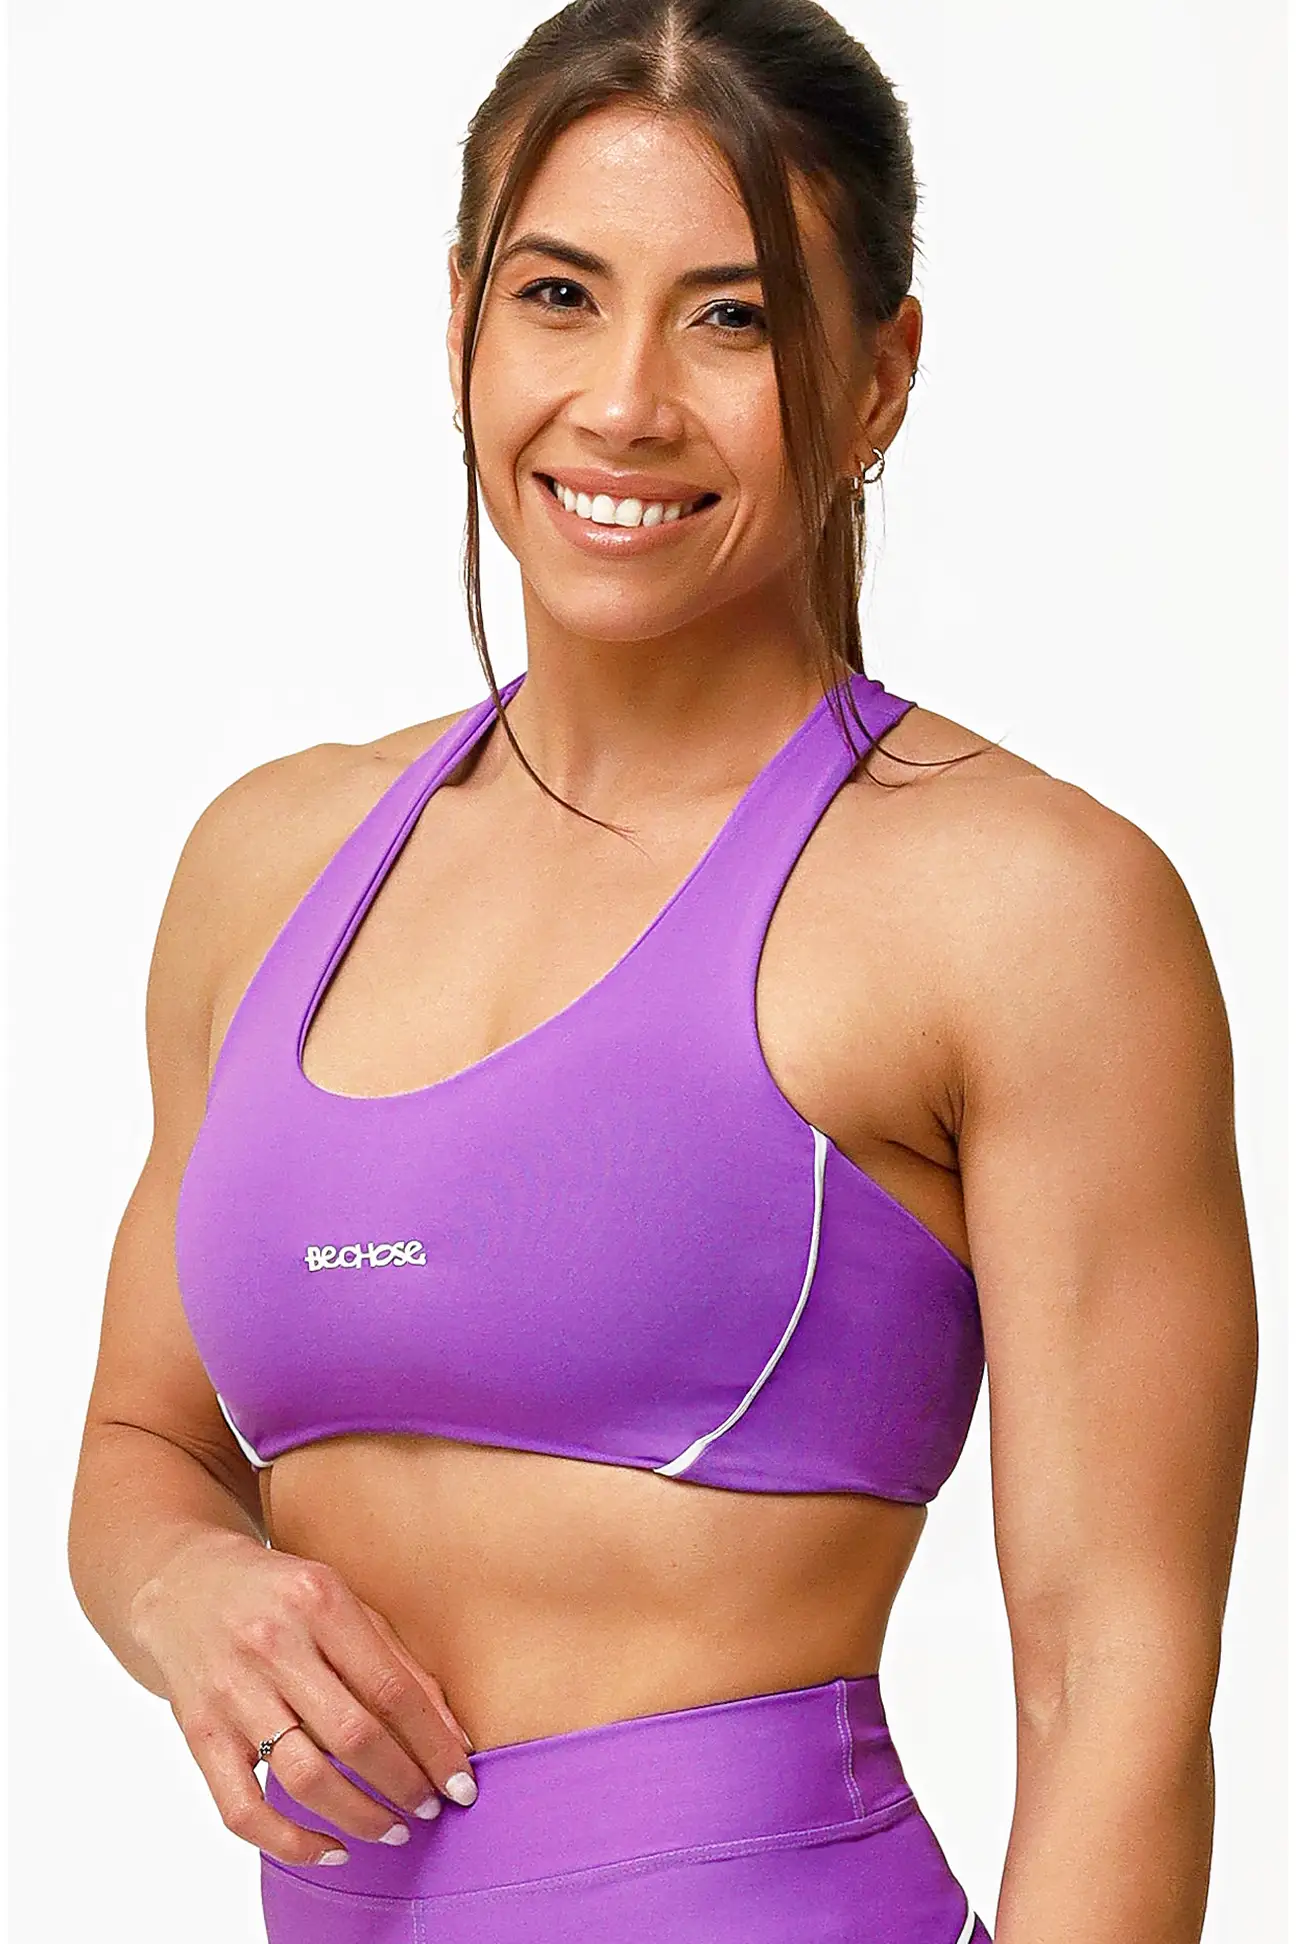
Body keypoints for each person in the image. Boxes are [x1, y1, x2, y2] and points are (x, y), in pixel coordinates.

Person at [67, 3, 1258, 1940]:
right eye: (559, 295)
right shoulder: (266, 866)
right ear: (462, 324)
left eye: (734, 317)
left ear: (879, 379)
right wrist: (185, 1588)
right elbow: (145, 1444)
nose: (624, 402)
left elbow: (1109, 1684)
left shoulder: (1022, 906)